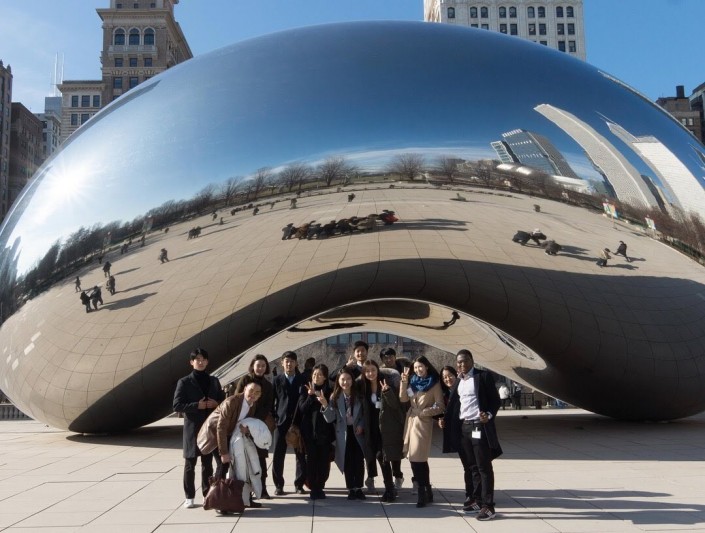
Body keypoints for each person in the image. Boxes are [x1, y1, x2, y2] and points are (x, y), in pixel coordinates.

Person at [442, 349, 502, 521]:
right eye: (459, 362)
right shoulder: (458, 381)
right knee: (472, 466)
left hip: (478, 427)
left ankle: (488, 506)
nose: (462, 364)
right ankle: (477, 500)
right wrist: (445, 420)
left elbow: (495, 401)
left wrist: (488, 415)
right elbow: (455, 406)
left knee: (483, 466)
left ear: (472, 361)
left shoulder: (483, 377)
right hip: (464, 428)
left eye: (465, 361)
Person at [173, 348, 224, 509]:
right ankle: (189, 496)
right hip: (192, 428)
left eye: (203, 359)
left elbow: (224, 401)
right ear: (192, 362)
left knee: (207, 464)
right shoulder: (184, 382)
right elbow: (177, 405)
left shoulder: (214, 381)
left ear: (207, 362)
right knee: (190, 463)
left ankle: (206, 494)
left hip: (209, 428)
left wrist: (216, 403)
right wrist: (197, 405)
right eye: (198, 359)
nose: (200, 362)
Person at [400, 355, 444, 508]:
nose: (418, 370)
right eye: (416, 367)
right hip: (411, 421)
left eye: (420, 367)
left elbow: (440, 406)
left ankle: (422, 492)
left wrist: (424, 412)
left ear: (426, 367)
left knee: (418, 458)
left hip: (423, 423)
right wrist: (404, 381)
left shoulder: (434, 383)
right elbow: (403, 399)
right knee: (416, 459)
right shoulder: (412, 382)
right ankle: (426, 489)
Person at [359, 360, 405, 502]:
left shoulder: (387, 383)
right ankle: (389, 487)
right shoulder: (362, 387)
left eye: (373, 370)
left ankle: (390, 487)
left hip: (386, 427)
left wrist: (387, 392)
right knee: (379, 457)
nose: (370, 373)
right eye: (367, 371)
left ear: (377, 370)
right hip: (371, 428)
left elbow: (395, 406)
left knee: (385, 457)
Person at [215, 381, 264, 509]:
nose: (253, 394)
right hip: (220, 437)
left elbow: (247, 423)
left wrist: (247, 430)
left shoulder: (252, 404)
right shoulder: (231, 402)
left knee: (245, 467)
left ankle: (245, 500)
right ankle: (219, 502)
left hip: (235, 436)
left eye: (257, 392)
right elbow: (221, 428)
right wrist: (224, 452)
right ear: (245, 389)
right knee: (223, 467)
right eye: (251, 390)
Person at [320, 367, 366, 500]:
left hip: (357, 432)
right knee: (347, 461)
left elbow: (365, 414)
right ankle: (351, 488)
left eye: (348, 379)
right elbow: (330, 418)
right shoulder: (335, 397)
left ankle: (359, 488)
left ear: (352, 380)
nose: (345, 382)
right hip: (343, 433)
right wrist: (325, 405)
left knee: (359, 460)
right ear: (338, 381)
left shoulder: (359, 395)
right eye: (342, 379)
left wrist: (361, 425)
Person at [234, 355, 276, 499]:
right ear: (253, 366)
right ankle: (245, 492)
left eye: (263, 366)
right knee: (244, 459)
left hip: (258, 426)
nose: (260, 368)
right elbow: (237, 399)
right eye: (258, 365)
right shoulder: (245, 380)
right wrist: (244, 423)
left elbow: (267, 407)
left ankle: (262, 489)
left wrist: (253, 424)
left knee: (260, 459)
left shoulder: (268, 385)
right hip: (241, 424)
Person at [271, 351, 307, 496]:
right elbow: (272, 401)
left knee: (300, 454)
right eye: (286, 361)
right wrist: (274, 417)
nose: (289, 364)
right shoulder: (276, 380)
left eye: (292, 361)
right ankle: (279, 485)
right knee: (278, 455)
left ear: (296, 363)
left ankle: (299, 484)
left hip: (298, 421)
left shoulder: (303, 379)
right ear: (282, 363)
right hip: (281, 422)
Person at [298, 364, 335, 500]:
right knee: (311, 462)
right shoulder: (305, 389)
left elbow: (333, 413)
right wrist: (310, 396)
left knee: (324, 462)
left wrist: (325, 402)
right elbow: (302, 409)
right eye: (314, 374)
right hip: (309, 433)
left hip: (325, 433)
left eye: (319, 375)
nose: (316, 377)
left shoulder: (330, 391)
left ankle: (320, 486)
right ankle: (314, 488)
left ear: (325, 377)